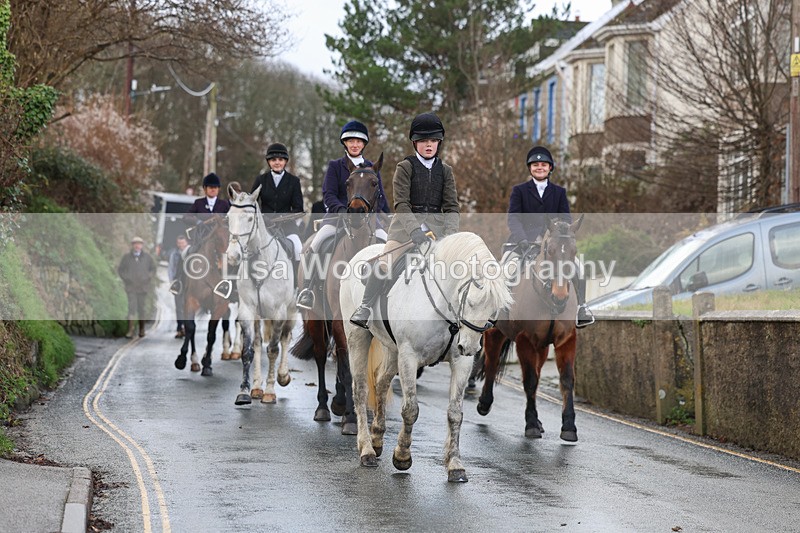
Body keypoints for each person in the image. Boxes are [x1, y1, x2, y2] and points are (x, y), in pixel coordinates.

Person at [349, 112, 459, 328]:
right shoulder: (404, 167)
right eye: (423, 141)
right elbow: (401, 204)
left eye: (433, 141)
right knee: (384, 264)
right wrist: (415, 231)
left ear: (439, 143)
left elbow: (452, 207)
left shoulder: (446, 171)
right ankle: (365, 306)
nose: (429, 145)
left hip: (438, 234)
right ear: (414, 143)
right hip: (404, 233)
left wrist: (450, 235)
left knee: (458, 269)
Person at [296, 120, 390, 310]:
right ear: (345, 143)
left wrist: (388, 216)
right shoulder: (335, 166)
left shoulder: (372, 168)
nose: (354, 144)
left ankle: (389, 290)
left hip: (368, 222)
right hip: (337, 217)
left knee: (387, 245)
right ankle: (307, 289)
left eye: (358, 141)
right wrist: (341, 210)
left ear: (363, 144)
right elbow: (328, 194)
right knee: (317, 243)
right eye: (350, 141)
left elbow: (379, 196)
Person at [506, 145, 594, 328]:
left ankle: (582, 308)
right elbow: (513, 218)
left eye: (543, 165)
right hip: (524, 242)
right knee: (506, 268)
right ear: (530, 168)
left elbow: (566, 219)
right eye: (535, 164)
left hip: (554, 243)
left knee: (579, 268)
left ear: (550, 168)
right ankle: (499, 310)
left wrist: (561, 233)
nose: (540, 167)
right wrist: (522, 239)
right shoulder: (519, 191)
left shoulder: (559, 192)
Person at [250, 142, 304, 265]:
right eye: (273, 159)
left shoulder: (294, 181)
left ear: (285, 161)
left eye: (280, 159)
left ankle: (297, 282)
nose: (277, 162)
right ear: (269, 162)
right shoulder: (260, 180)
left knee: (298, 249)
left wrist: (282, 217)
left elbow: (298, 208)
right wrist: (262, 217)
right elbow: (252, 203)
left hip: (287, 227)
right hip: (264, 227)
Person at [118, 236, 156, 338]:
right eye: (135, 244)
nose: (137, 246)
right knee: (131, 308)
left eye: (139, 244)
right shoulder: (126, 257)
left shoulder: (147, 258)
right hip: (131, 288)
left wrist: (148, 277)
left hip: (143, 288)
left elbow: (153, 269)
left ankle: (142, 329)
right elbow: (120, 270)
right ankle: (130, 330)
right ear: (132, 245)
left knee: (141, 309)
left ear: (142, 245)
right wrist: (127, 279)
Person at [168, 234, 190, 338]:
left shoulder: (191, 253)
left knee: (188, 307)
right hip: (178, 283)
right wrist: (172, 282)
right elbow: (171, 269)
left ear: (187, 243)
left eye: (182, 243)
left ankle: (187, 327)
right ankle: (179, 328)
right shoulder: (174, 254)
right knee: (179, 307)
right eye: (179, 243)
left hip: (189, 283)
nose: (181, 245)